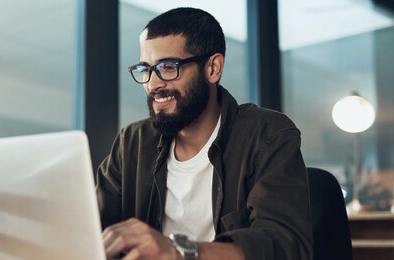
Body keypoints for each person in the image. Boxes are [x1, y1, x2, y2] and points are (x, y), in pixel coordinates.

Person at [96, 7, 312, 260]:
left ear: (213, 68)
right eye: (146, 70)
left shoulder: (267, 135)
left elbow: (285, 247)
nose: (153, 84)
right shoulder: (132, 142)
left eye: (167, 67)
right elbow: (91, 225)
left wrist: (177, 251)